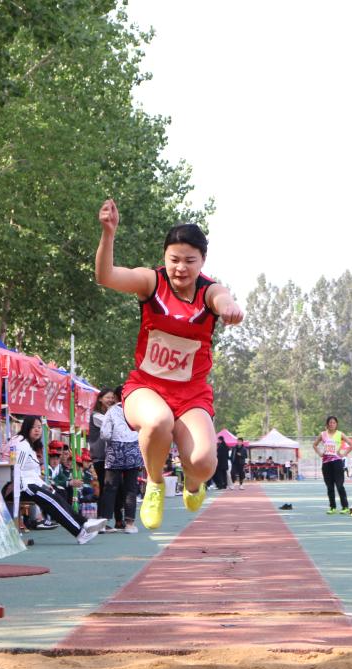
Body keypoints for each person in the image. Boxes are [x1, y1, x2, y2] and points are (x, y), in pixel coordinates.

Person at [94, 199, 244, 529]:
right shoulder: (152, 283)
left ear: (202, 261)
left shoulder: (209, 292)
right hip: (146, 388)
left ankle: (193, 483)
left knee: (204, 462)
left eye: (190, 261)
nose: (180, 268)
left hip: (191, 394)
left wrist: (230, 308)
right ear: (164, 257)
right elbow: (106, 276)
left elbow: (223, 298)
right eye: (174, 259)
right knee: (158, 420)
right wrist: (108, 233)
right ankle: (154, 484)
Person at [14, 416, 106, 543]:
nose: (37, 430)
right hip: (22, 487)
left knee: (57, 496)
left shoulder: (29, 445)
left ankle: (84, 523)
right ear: (26, 427)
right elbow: (16, 469)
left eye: (39, 427)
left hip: (31, 484)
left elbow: (32, 473)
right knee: (52, 501)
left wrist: (44, 485)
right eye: (33, 427)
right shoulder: (22, 443)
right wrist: (20, 487)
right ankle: (80, 531)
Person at [99, 388, 142, 534]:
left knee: (110, 488)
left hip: (115, 450)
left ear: (116, 397)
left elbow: (105, 434)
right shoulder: (137, 411)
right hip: (133, 449)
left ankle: (104, 522)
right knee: (131, 489)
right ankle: (129, 524)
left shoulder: (111, 411)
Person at [313, 416, 352, 514]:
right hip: (326, 463)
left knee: (339, 485)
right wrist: (320, 453)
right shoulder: (323, 434)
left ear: (336, 424)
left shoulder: (340, 434)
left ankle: (345, 507)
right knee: (330, 486)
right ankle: (332, 507)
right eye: (330, 422)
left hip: (337, 462)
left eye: (334, 422)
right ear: (327, 424)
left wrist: (343, 454)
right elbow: (314, 445)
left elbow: (351, 445)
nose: (332, 424)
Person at [88, 388, 115, 497]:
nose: (111, 400)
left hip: (110, 458)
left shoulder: (109, 413)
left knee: (110, 489)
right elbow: (112, 424)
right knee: (104, 489)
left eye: (112, 397)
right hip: (101, 458)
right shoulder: (96, 415)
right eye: (107, 397)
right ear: (100, 399)